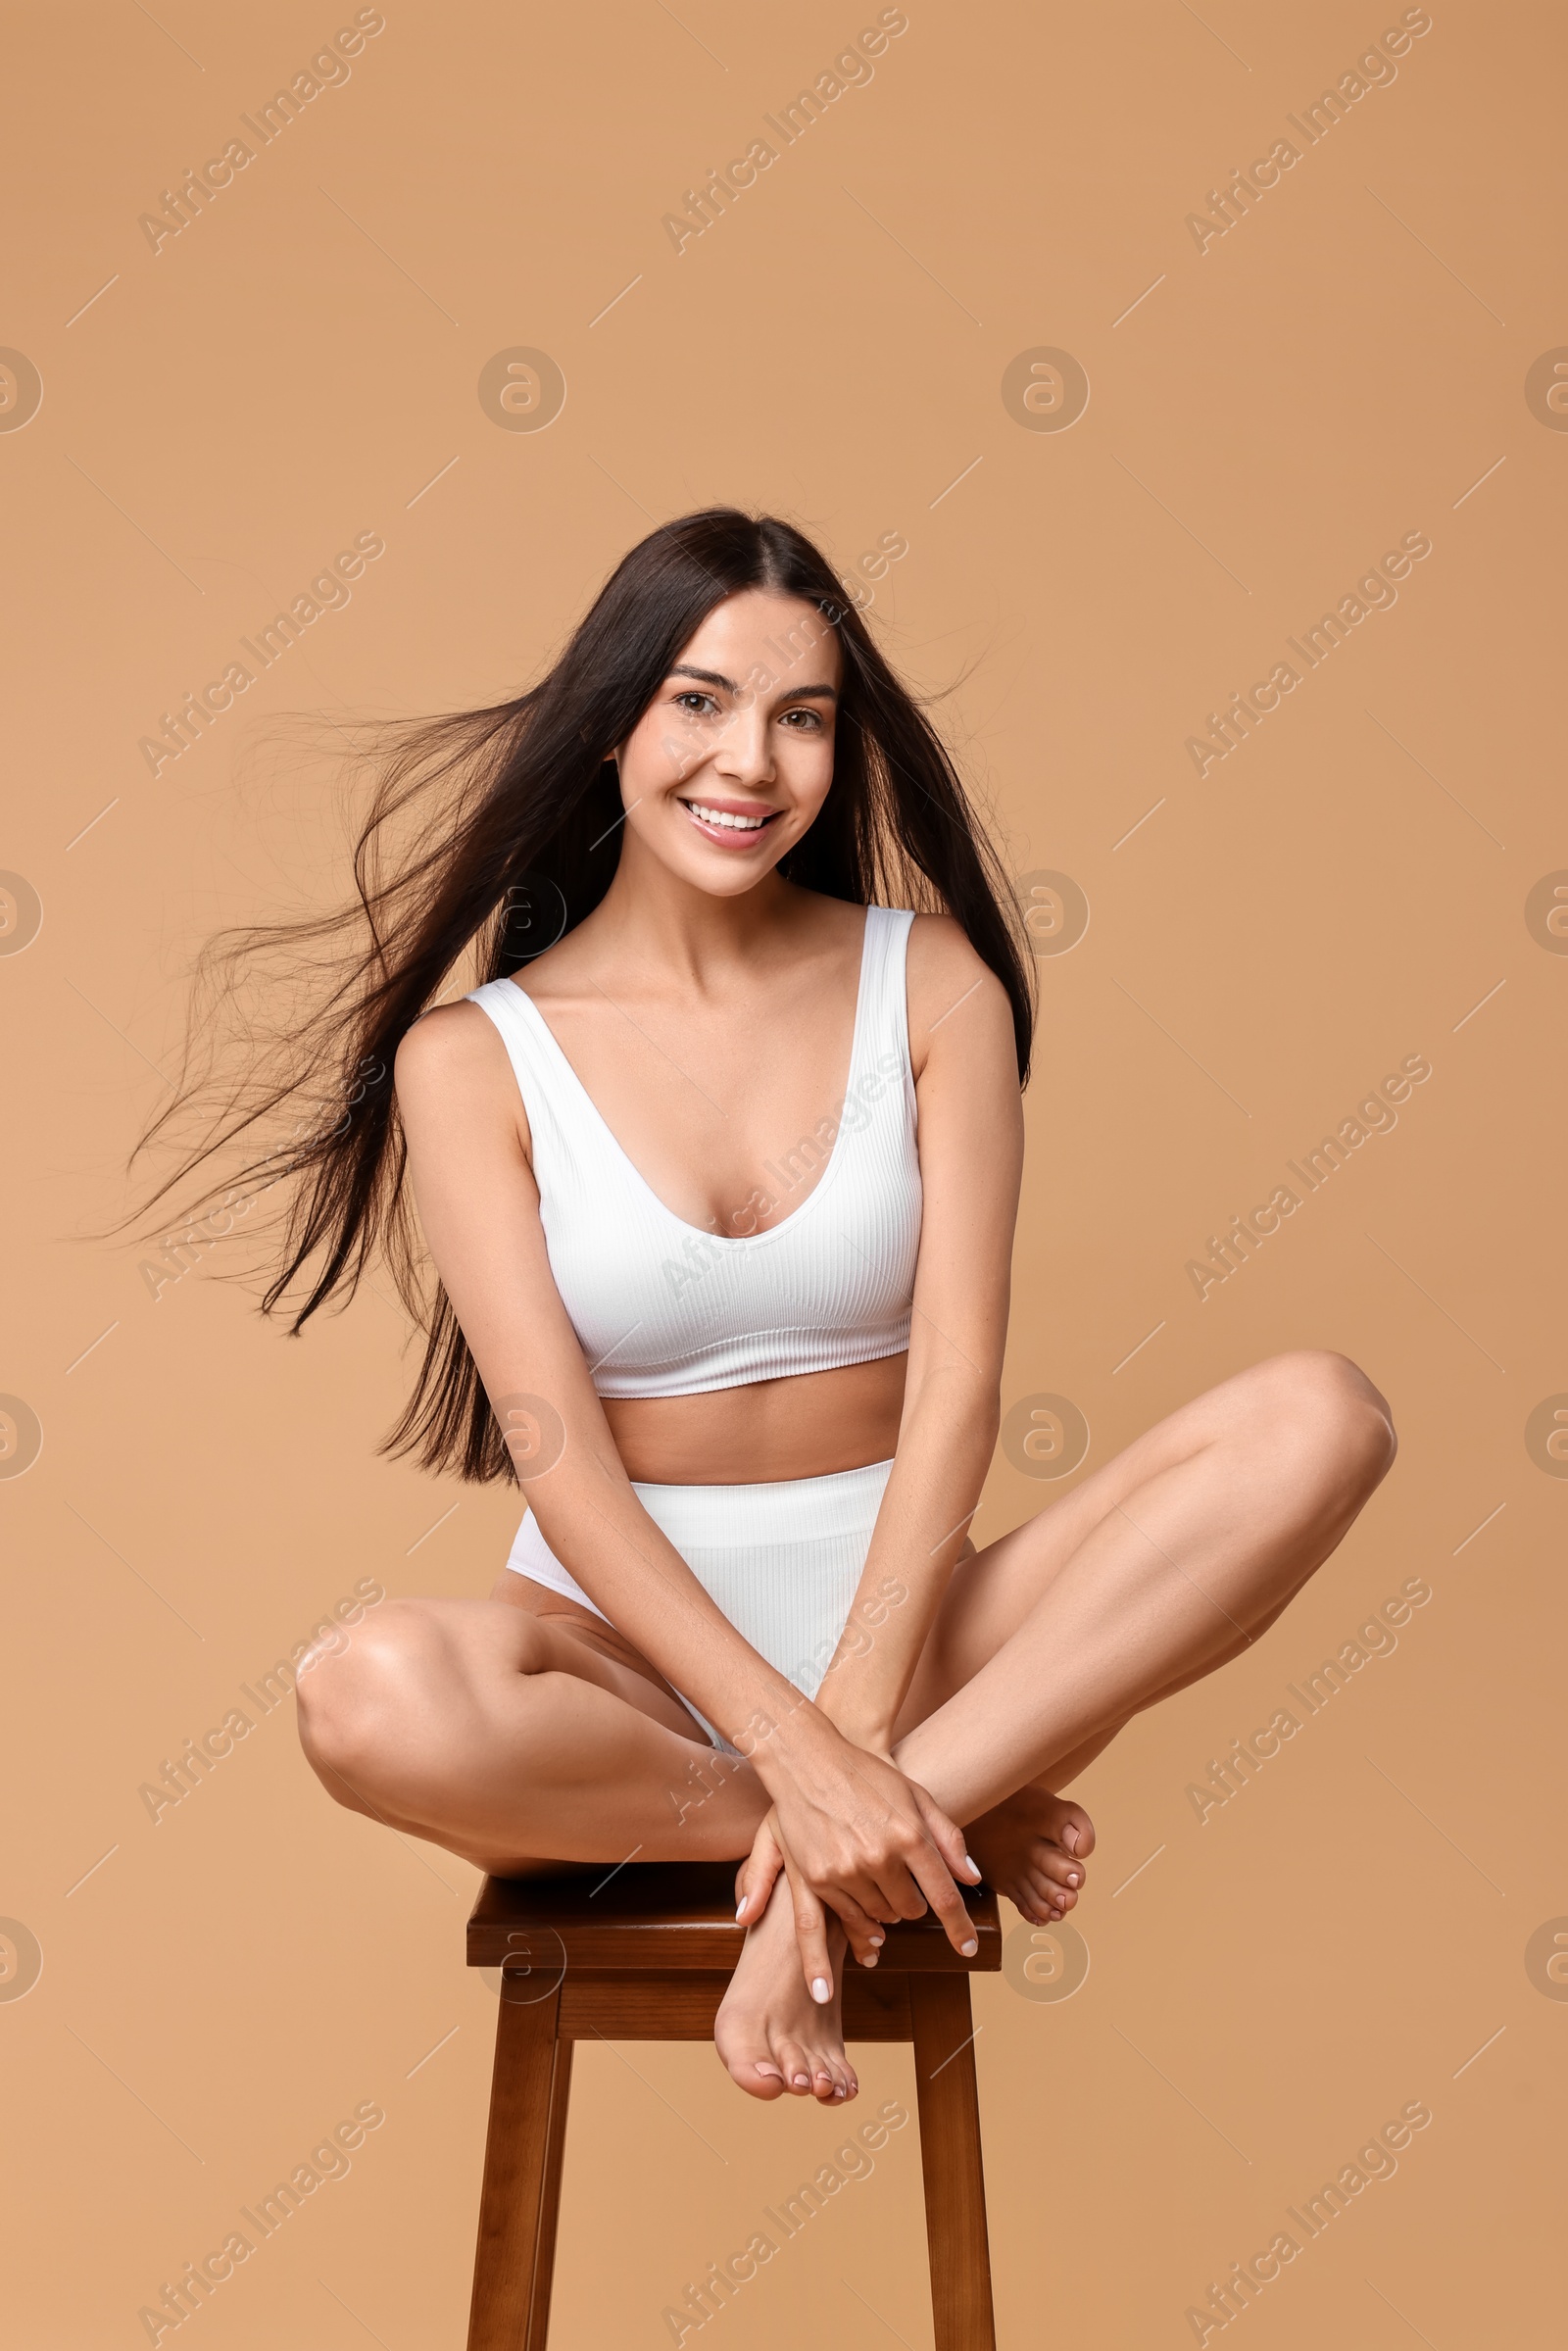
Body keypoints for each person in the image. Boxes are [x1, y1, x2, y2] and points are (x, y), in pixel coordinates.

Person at [154, 510, 1396, 2107]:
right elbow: (562, 1463)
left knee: (1321, 1419)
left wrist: (860, 1729)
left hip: (923, 1633)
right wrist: (803, 1771)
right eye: (700, 701)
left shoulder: (934, 980)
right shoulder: (473, 1061)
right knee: (363, 1697)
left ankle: (859, 1839)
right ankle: (935, 1815)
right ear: (612, 722)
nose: (752, 760)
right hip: (626, 1686)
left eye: (801, 717)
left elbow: (957, 1389)